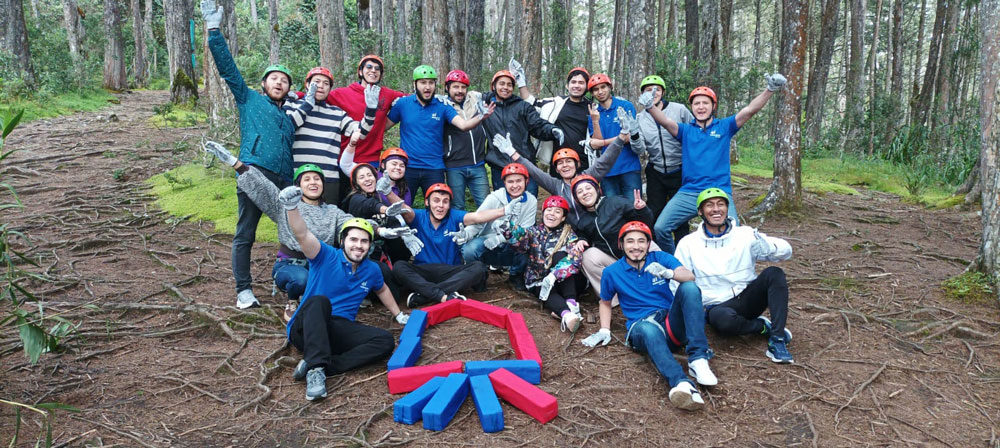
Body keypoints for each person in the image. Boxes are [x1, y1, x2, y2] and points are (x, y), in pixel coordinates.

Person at [203, 142, 412, 321]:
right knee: (301, 280)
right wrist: (235, 163)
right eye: (307, 179)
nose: (313, 183)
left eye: (317, 179)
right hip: (290, 264)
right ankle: (293, 300)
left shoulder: (332, 211)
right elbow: (263, 186)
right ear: (298, 185)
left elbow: (354, 223)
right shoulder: (286, 204)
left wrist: (381, 230)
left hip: (323, 266)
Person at [201, 0, 295, 309]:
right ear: (264, 84)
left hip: (284, 178)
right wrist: (214, 29)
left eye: (284, 80)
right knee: (246, 232)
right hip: (253, 171)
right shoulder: (249, 99)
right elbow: (227, 69)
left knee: (294, 231)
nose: (279, 82)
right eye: (274, 78)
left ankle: (292, 282)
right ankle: (244, 290)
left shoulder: (288, 117)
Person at [638, 73, 787, 252]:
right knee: (661, 227)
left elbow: (749, 110)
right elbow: (664, 120)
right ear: (691, 108)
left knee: (736, 234)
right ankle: (675, 266)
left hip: (719, 191)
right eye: (696, 103)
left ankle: (729, 270)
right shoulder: (685, 130)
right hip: (690, 192)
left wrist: (769, 90)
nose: (701, 107)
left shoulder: (724, 127)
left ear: (713, 106)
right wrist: (650, 106)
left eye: (705, 103)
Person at [281, 197, 409, 401]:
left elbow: (382, 289)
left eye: (364, 241)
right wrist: (291, 207)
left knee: (384, 341)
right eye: (353, 240)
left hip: (337, 329)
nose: (358, 246)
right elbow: (302, 233)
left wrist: (399, 314)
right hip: (307, 326)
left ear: (370, 245)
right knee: (319, 301)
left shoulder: (372, 270)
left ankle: (325, 365)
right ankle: (315, 370)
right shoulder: (325, 255)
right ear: (343, 241)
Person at [581, 221, 717, 410]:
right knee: (647, 329)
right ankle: (681, 383)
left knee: (689, 288)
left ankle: (698, 358)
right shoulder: (612, 272)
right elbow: (605, 302)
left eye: (641, 241)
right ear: (621, 245)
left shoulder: (659, 258)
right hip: (642, 326)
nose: (635, 246)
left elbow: (688, 276)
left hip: (669, 322)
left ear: (648, 244)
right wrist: (604, 330)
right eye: (630, 241)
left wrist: (669, 273)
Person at [673, 188, 795, 363]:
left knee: (774, 274)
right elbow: (679, 281)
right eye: (709, 205)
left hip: (746, 297)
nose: (716, 209)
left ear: (727, 209)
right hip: (715, 306)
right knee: (724, 321)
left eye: (721, 204)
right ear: (700, 212)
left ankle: (777, 340)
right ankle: (761, 327)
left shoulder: (744, 234)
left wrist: (768, 247)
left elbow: (786, 251)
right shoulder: (688, 243)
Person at [495, 107, 632, 226]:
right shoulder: (555, 185)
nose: (565, 165)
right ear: (557, 169)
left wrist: (621, 137)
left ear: (576, 164)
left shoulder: (588, 176)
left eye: (569, 162)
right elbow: (534, 172)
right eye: (560, 163)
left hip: (595, 228)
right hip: (570, 233)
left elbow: (606, 160)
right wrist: (512, 152)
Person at [394, 183, 517, 307]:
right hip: (424, 270)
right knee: (399, 267)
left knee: (479, 268)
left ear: (449, 205)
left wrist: (504, 210)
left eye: (445, 201)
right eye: (436, 201)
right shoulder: (418, 216)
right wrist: (388, 191)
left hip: (450, 272)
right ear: (427, 202)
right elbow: (402, 207)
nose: (440, 206)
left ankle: (425, 295)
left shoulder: (454, 216)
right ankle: (443, 295)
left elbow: (477, 217)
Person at [386, 65, 494, 199]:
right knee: (402, 207)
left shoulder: (443, 105)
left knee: (437, 208)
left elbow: (463, 125)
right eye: (423, 82)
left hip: (434, 168)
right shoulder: (402, 104)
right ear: (414, 84)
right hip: (409, 167)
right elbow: (383, 127)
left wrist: (481, 116)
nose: (427, 87)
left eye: (431, 83)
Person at [287, 66, 378, 204]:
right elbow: (288, 127)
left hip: (328, 177)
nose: (321, 86)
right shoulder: (292, 105)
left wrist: (370, 110)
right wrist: (307, 104)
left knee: (330, 219)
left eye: (326, 83)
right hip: (299, 175)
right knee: (297, 221)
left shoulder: (337, 113)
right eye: (316, 82)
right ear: (307, 84)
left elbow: (360, 132)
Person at [327, 55, 407, 202]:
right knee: (345, 201)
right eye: (369, 67)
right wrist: (295, 96)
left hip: (372, 160)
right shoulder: (341, 94)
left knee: (371, 201)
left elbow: (411, 100)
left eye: (377, 69)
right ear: (360, 72)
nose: (373, 71)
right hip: (346, 157)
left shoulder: (386, 94)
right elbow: (318, 97)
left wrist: (443, 101)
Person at [503, 196, 586, 332]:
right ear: (543, 212)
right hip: (540, 280)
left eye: (557, 211)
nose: (552, 214)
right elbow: (519, 240)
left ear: (563, 217)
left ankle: (571, 304)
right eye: (549, 210)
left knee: (561, 256)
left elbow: (574, 258)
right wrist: (508, 226)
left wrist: (555, 275)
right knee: (545, 290)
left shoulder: (569, 234)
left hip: (566, 281)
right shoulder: (534, 232)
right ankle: (567, 315)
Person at [570, 175, 655, 306]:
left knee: (646, 243)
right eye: (580, 192)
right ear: (577, 198)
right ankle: (613, 299)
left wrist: (641, 210)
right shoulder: (584, 219)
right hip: (617, 263)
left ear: (597, 190)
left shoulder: (616, 202)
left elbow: (646, 223)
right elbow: (584, 234)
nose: (585, 193)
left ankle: (661, 286)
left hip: (640, 255)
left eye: (588, 188)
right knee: (587, 257)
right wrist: (581, 240)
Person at [481, 70, 564, 196]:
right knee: (504, 205)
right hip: (499, 165)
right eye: (501, 84)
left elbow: (537, 125)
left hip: (524, 162)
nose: (505, 87)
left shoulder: (522, 106)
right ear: (494, 86)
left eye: (509, 85)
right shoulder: (486, 106)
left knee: (529, 200)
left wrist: (552, 130)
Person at [633, 75, 694, 243]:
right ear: (642, 94)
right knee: (654, 212)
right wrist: (633, 135)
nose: (653, 93)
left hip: (680, 169)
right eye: (648, 90)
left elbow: (693, 132)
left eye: (657, 89)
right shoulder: (641, 118)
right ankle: (657, 251)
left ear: (663, 92)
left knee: (681, 217)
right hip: (656, 171)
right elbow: (640, 149)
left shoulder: (679, 109)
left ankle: (683, 250)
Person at [458, 161, 538, 291]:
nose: (515, 185)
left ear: (526, 182)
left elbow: (525, 232)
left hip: (513, 243)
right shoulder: (494, 198)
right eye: (510, 182)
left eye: (519, 181)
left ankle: (516, 275)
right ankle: (479, 276)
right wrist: (466, 234)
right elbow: (479, 220)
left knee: (531, 245)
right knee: (469, 249)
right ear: (504, 183)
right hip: (487, 240)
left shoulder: (531, 201)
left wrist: (501, 238)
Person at [509, 60, 593, 175]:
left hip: (583, 162)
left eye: (581, 83)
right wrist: (521, 82)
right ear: (567, 85)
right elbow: (531, 102)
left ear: (586, 86)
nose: (577, 86)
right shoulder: (555, 102)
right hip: (558, 161)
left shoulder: (592, 107)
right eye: (573, 82)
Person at [439, 69, 490, 210]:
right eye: (455, 87)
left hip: (478, 164)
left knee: (486, 205)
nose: (460, 91)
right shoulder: (442, 105)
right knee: (457, 206)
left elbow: (495, 95)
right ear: (447, 88)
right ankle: (459, 232)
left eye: (463, 87)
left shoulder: (475, 98)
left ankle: (487, 232)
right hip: (454, 166)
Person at [586, 73, 642, 197]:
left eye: (603, 87)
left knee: (633, 207)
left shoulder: (625, 106)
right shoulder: (593, 113)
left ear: (610, 87)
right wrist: (595, 120)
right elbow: (597, 144)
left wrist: (604, 142)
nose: (600, 92)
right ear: (592, 93)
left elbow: (629, 136)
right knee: (612, 211)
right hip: (607, 170)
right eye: (596, 89)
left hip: (629, 167)